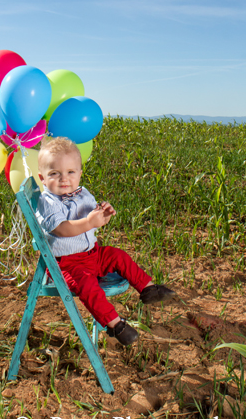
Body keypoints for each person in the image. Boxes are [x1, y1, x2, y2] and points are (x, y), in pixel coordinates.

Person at [35, 136, 176, 346]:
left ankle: (147, 288)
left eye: (71, 172)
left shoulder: (81, 193)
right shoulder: (47, 202)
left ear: (80, 173)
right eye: (55, 173)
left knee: (118, 255)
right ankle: (115, 325)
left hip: (93, 254)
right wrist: (89, 223)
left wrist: (103, 214)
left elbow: (93, 217)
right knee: (89, 289)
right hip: (68, 264)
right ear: (42, 178)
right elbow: (62, 229)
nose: (64, 179)